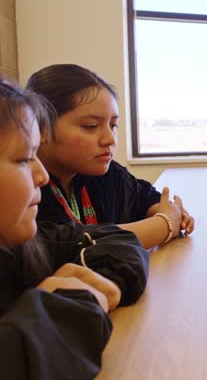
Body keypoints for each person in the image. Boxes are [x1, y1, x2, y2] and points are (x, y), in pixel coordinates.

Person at [0, 79, 150, 378]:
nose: (41, 175)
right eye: (23, 158)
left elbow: (117, 239)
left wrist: (88, 281)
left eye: (113, 125)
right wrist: (76, 303)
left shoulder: (17, 248)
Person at [25, 64, 193, 249]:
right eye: (91, 126)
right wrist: (165, 224)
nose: (109, 139)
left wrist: (170, 213)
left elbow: (143, 198)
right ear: (41, 128)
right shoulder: (25, 188)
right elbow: (73, 245)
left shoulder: (99, 171)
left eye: (113, 125)